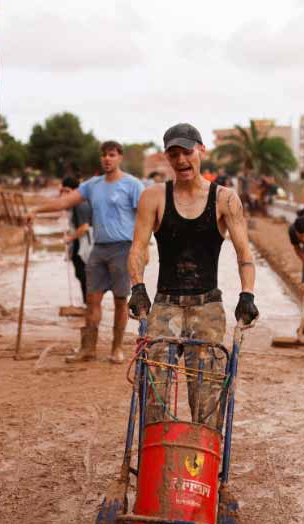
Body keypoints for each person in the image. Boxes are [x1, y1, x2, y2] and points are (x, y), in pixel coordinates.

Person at [128, 123, 259, 429]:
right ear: (167, 158)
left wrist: (247, 295)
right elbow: (138, 248)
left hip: (207, 307)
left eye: (187, 152)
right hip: (164, 306)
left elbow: (244, 254)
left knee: (207, 393)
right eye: (174, 154)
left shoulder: (225, 199)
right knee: (154, 390)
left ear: (201, 150)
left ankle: (202, 468)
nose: (182, 160)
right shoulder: (154, 197)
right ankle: (155, 461)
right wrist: (137, 287)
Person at [27, 141, 145, 363]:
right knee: (92, 300)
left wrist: (142, 248)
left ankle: (116, 348)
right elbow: (64, 202)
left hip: (124, 248)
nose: (107, 159)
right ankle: (88, 348)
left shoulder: (132, 185)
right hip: (99, 249)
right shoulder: (93, 185)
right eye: (103, 155)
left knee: (121, 301)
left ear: (120, 157)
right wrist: (36, 210)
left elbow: (146, 218)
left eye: (111, 155)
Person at [62, 176, 93, 300]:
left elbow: (85, 227)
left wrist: (69, 238)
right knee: (80, 275)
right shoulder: (75, 204)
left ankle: (90, 305)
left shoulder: (80, 204)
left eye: (65, 191)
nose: (64, 194)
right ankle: (88, 305)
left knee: (83, 275)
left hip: (83, 245)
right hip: (79, 244)